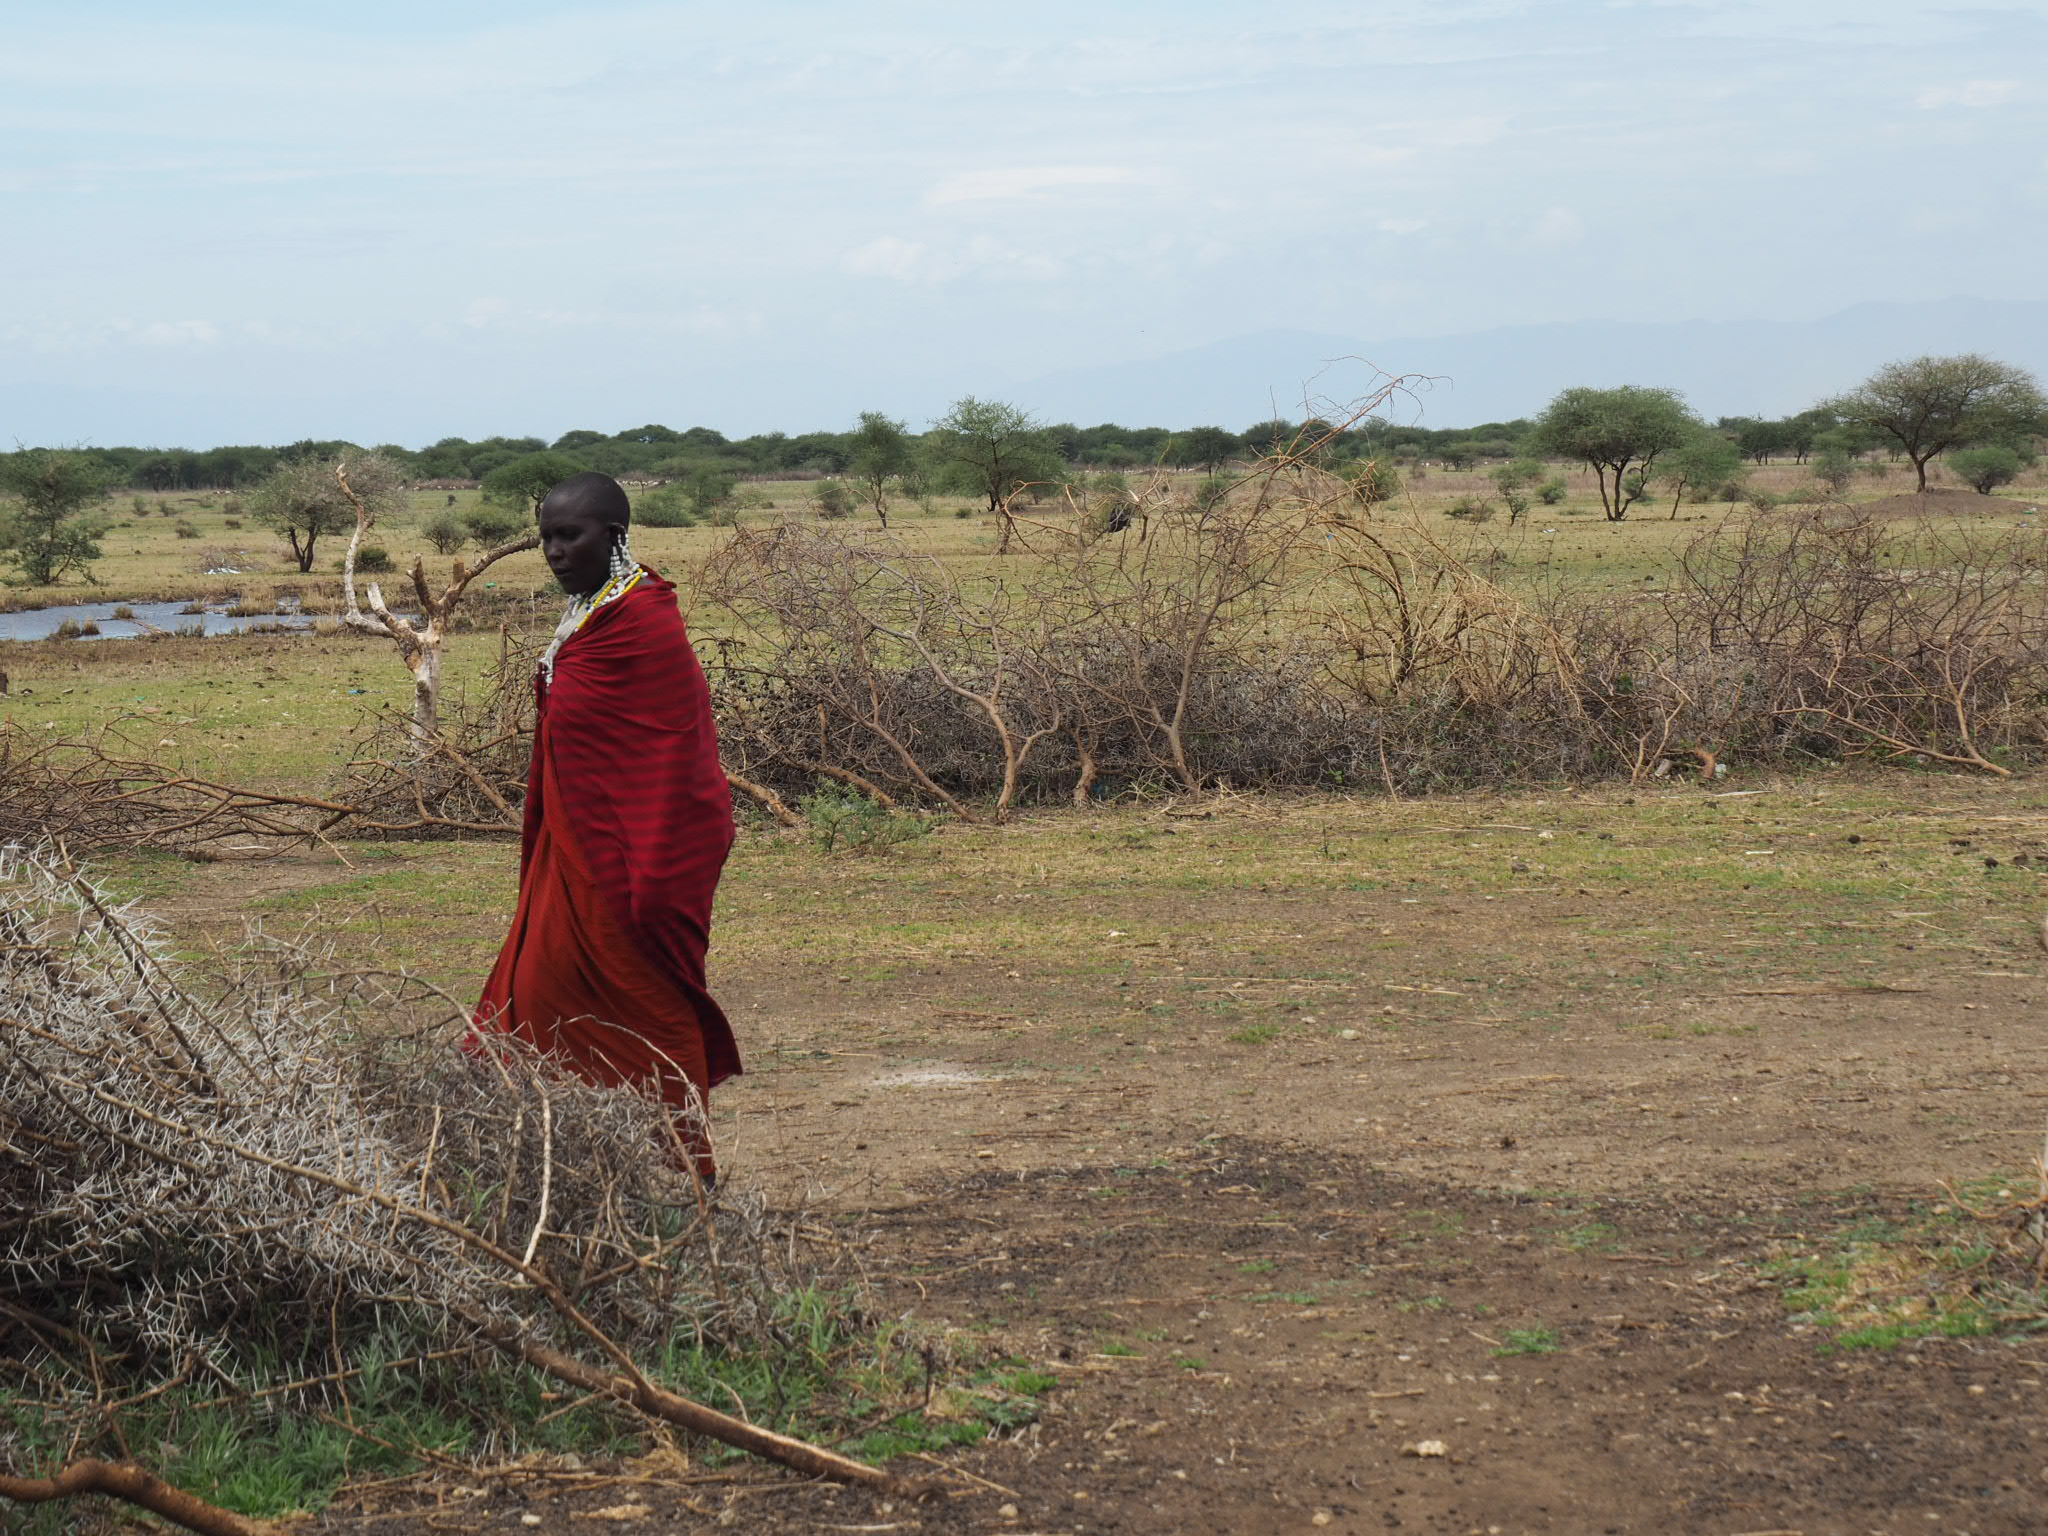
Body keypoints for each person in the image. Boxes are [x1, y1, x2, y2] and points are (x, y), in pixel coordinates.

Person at [470, 471, 738, 1181]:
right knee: (536, 992)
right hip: (572, 849)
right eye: (546, 538)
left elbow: (672, 754)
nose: (555, 551)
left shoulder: (642, 620)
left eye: (570, 535)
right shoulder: (589, 615)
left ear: (613, 536)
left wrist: (639, 869)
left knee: (644, 1001)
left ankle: (677, 1162)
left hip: (636, 858)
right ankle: (544, 1158)